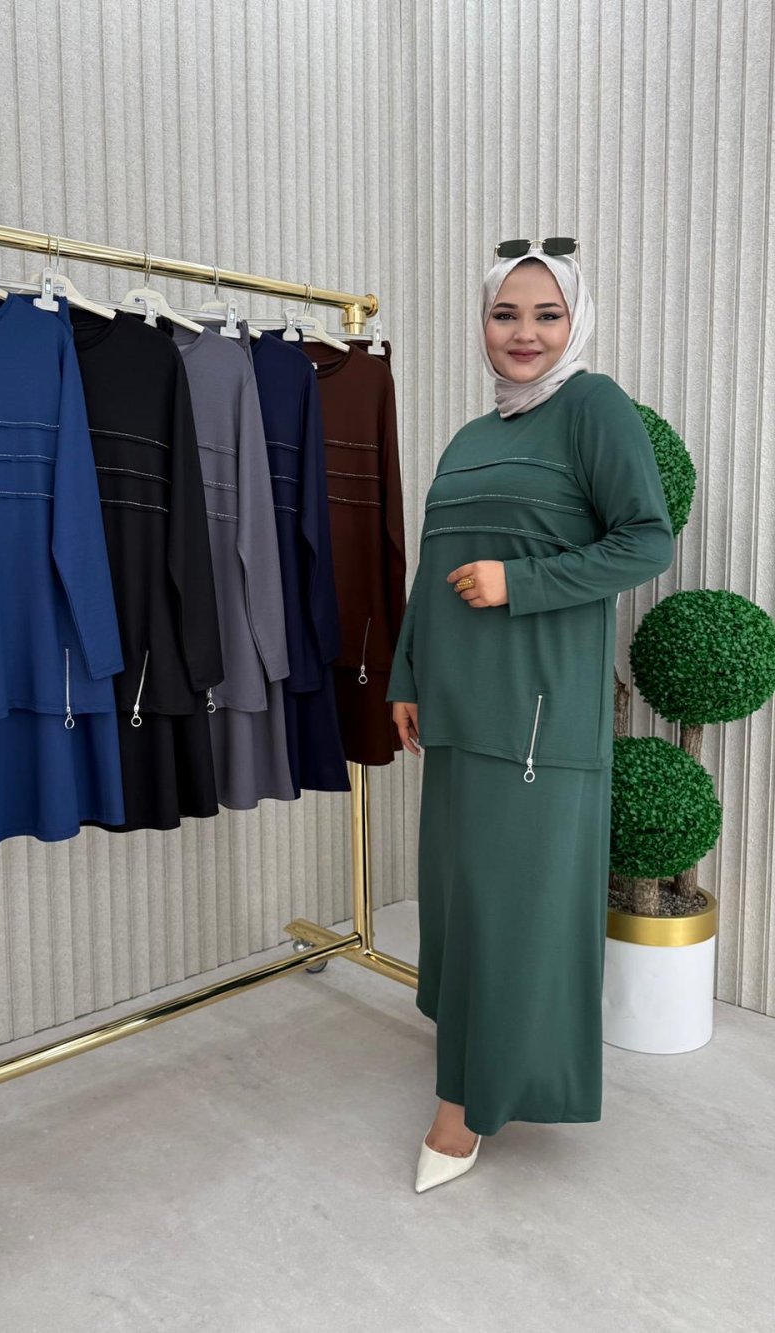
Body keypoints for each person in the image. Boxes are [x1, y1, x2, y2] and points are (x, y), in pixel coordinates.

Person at [387, 240, 674, 1193]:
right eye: (506, 314)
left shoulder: (593, 407)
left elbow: (646, 541)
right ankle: (476, 1050)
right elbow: (432, 565)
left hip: (538, 717)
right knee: (462, 901)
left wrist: (523, 582)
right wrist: (405, 673)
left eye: (546, 314)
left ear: (574, 322)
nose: (524, 333)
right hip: (457, 710)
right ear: (483, 322)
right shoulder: (472, 435)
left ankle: (465, 1104)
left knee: (511, 910)